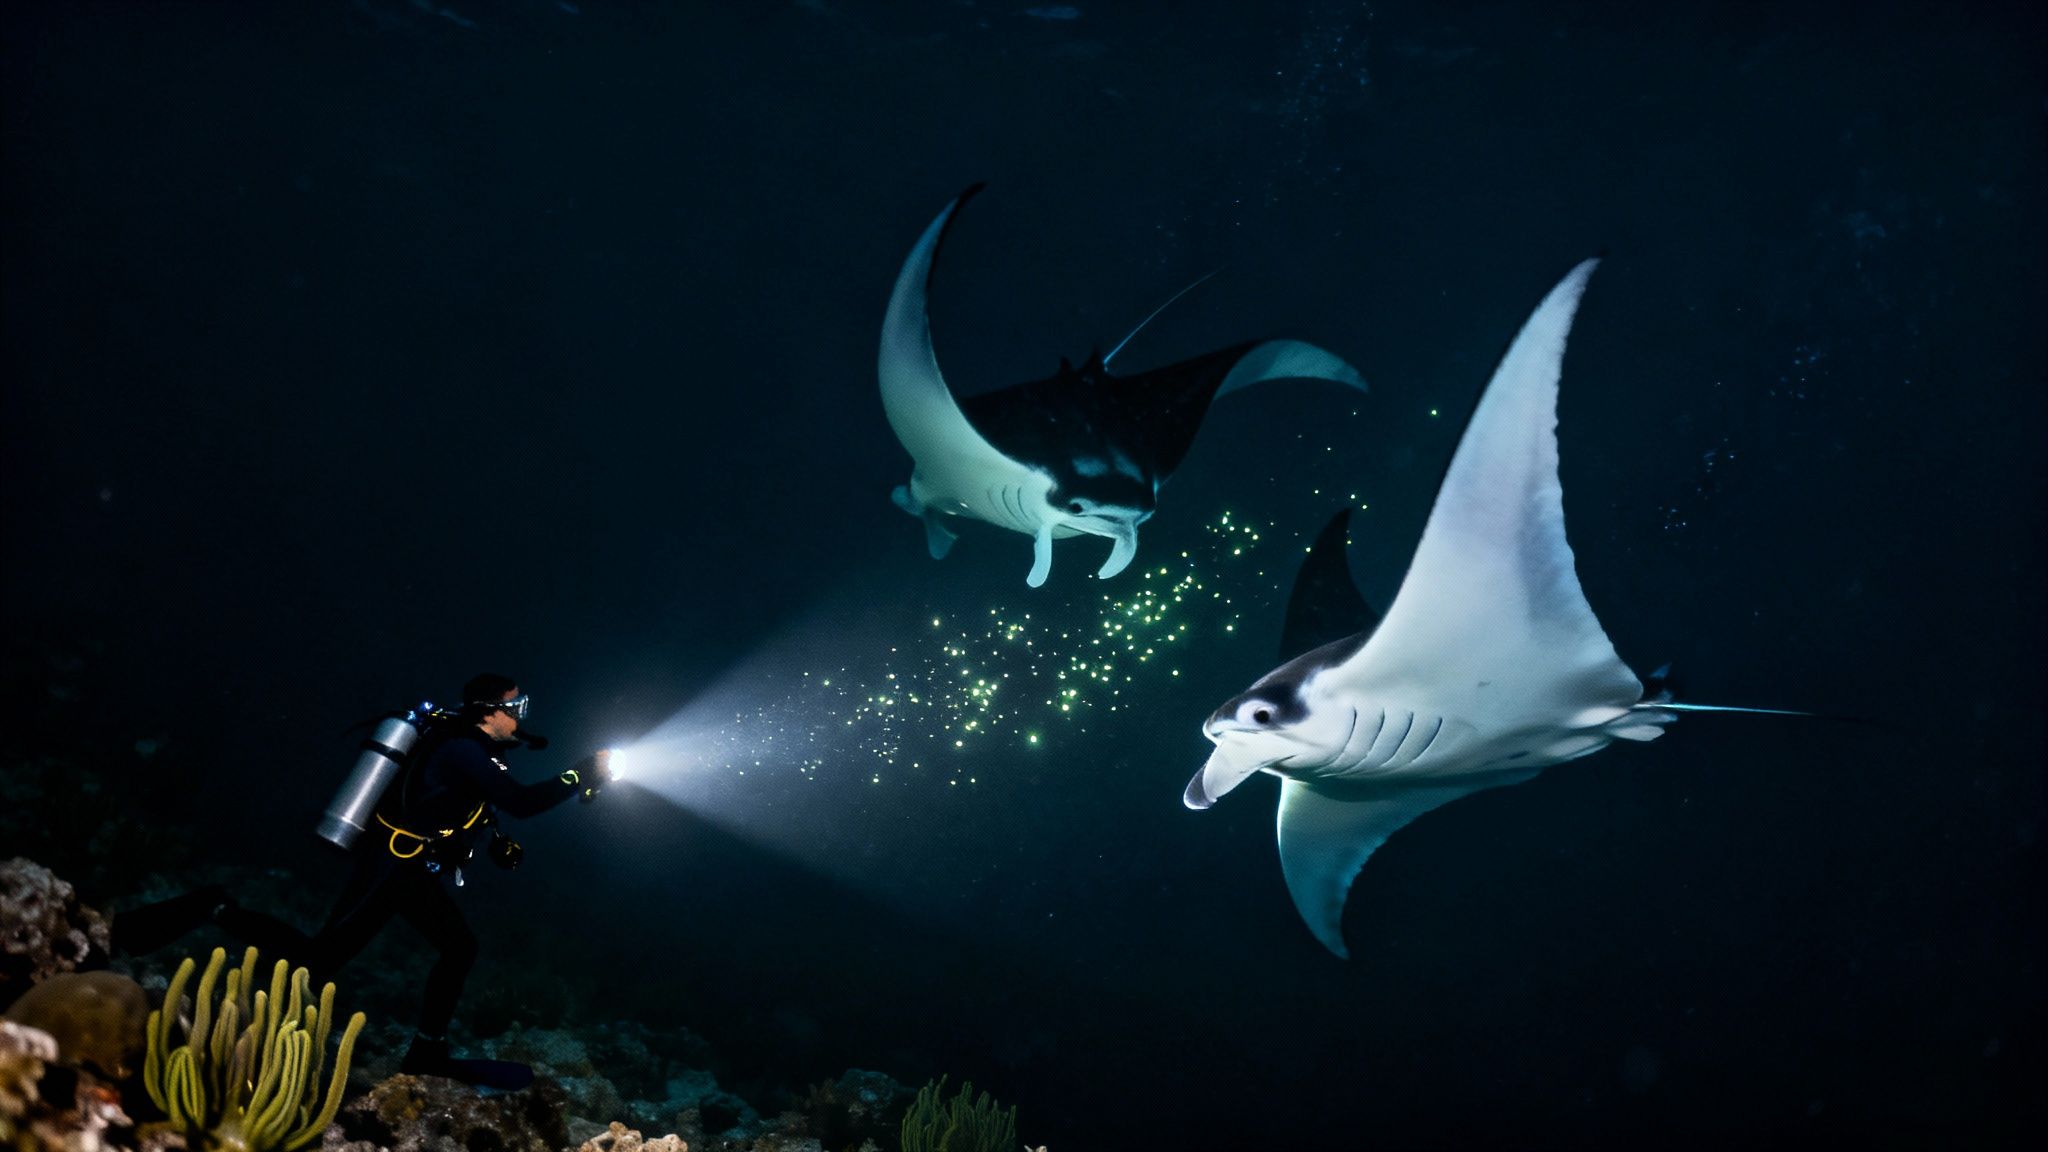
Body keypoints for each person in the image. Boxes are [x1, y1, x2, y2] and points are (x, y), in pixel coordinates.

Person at [113, 673, 613, 1089]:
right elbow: (521, 802)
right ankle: (212, 907)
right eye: (514, 706)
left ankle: (427, 1052)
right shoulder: (463, 748)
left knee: (458, 948)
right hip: (391, 864)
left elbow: (469, 809)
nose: (520, 715)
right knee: (318, 961)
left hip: (410, 868)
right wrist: (576, 775)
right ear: (487, 710)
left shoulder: (470, 749)